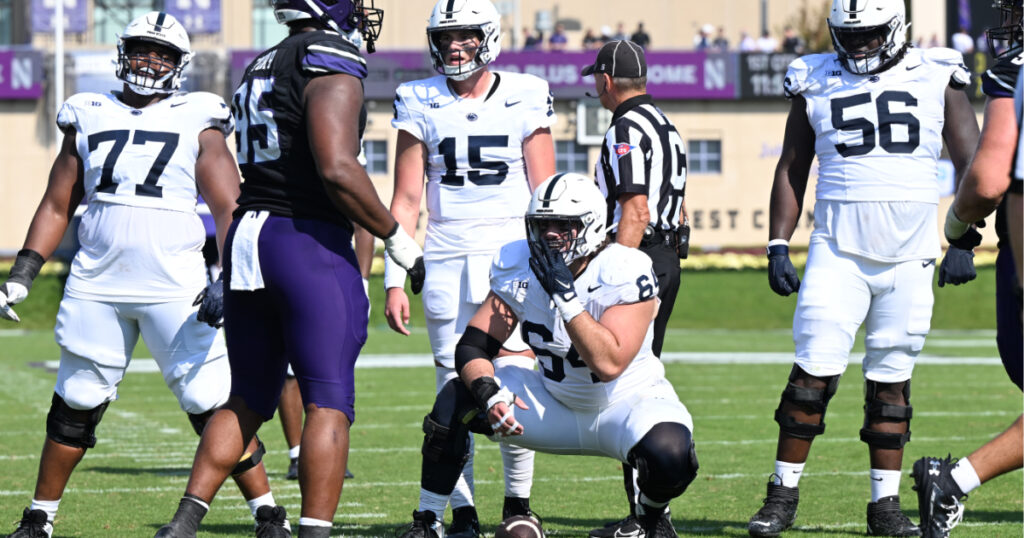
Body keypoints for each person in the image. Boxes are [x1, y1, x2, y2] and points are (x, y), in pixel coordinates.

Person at [0, 11, 289, 538]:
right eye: (141, 49)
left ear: (181, 65)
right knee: (75, 403)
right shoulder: (86, 112)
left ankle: (267, 512)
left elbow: (231, 208)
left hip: (176, 286)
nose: (150, 62)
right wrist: (24, 271)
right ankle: (39, 517)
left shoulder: (198, 115)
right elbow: (57, 203)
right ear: (121, 53)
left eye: (163, 54)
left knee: (211, 403)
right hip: (97, 283)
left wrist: (226, 275)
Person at [153, 1, 424, 537]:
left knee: (249, 395)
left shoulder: (263, 62)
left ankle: (183, 523)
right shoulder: (328, 56)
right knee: (328, 397)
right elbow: (338, 168)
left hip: (251, 235)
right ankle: (315, 532)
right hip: (304, 238)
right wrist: (398, 238)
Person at [746, 1, 980, 536]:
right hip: (837, 247)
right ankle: (781, 496)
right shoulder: (814, 76)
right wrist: (778, 242)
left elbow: (970, 161)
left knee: (892, 382)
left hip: (913, 249)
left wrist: (965, 235)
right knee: (810, 377)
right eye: (849, 35)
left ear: (896, 26)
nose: (858, 45)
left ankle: (885, 507)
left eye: (871, 34)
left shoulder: (938, 70)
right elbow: (793, 163)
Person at [400, 172, 699, 538]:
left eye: (563, 224)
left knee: (671, 452)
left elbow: (609, 364)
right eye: (543, 224)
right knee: (454, 395)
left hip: (623, 404)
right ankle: (428, 521)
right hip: (551, 401)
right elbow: (473, 346)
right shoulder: (519, 261)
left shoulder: (624, 267)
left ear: (590, 226)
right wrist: (487, 392)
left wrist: (566, 296)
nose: (551, 234)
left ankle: (650, 520)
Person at [385, 0, 556, 535]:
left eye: (465, 36)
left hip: (512, 258)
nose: (455, 46)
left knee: (514, 382)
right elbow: (406, 200)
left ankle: (518, 504)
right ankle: (461, 511)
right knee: (450, 394)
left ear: (488, 37)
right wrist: (394, 278)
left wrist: (552, 270)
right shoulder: (418, 98)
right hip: (445, 257)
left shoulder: (526, 92)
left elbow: (544, 193)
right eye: (446, 37)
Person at [912, 2, 1023, 536]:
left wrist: (956, 229)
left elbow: (987, 181)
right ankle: (952, 481)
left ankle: (950, 481)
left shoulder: (1016, 68)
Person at [582, 39, 689, 538]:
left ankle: (646, 518)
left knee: (628, 387)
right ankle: (650, 513)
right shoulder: (667, 124)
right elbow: (677, 208)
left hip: (639, 256)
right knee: (641, 378)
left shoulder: (625, 128)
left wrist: (616, 270)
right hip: (665, 256)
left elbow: (636, 209)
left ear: (606, 81)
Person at [280, 222, 371, 481]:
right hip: (292, 272)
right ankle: (297, 454)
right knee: (289, 373)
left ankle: (333, 452)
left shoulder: (336, 181)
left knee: (336, 372)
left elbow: (363, 226)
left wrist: (363, 284)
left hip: (336, 280)